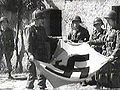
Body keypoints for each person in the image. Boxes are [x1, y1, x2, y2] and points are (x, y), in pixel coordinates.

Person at [26, 9, 52, 89]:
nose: (43, 20)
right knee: (32, 75)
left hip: (41, 55)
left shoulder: (42, 29)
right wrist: (30, 55)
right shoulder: (30, 29)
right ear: (36, 19)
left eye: (42, 19)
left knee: (42, 75)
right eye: (41, 19)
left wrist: (58, 39)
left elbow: (46, 39)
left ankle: (42, 88)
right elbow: (28, 44)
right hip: (33, 56)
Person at [99, 10, 120, 88]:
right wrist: (90, 42)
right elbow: (102, 41)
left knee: (113, 78)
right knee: (102, 75)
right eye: (107, 20)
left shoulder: (118, 32)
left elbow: (118, 47)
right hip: (107, 58)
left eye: (109, 20)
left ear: (114, 20)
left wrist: (113, 55)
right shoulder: (109, 32)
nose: (107, 22)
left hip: (115, 60)